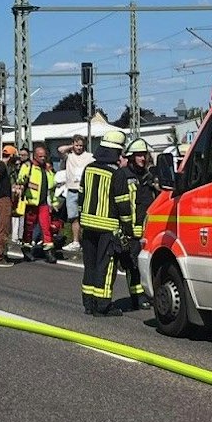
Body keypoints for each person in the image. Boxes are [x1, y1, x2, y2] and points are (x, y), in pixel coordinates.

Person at [78, 129, 136, 315]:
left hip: (87, 226)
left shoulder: (88, 169)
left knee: (90, 266)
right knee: (105, 266)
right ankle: (103, 306)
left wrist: (81, 221)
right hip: (107, 229)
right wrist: (128, 229)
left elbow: (81, 197)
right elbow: (123, 205)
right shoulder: (117, 174)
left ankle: (89, 304)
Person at [117, 138, 157, 310]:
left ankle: (146, 293)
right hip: (131, 228)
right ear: (131, 157)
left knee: (146, 263)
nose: (142, 158)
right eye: (139, 155)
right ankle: (138, 296)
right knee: (133, 264)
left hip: (148, 228)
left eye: (144, 155)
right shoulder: (123, 175)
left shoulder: (149, 176)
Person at [13, 143, 58, 263]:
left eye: (44, 156)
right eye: (40, 156)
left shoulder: (48, 169)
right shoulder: (28, 166)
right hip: (31, 203)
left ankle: (49, 252)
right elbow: (20, 179)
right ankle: (26, 248)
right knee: (29, 228)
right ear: (35, 156)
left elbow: (51, 188)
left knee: (46, 227)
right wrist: (23, 179)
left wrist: (54, 202)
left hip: (44, 203)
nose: (43, 158)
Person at [59, 135, 92, 251]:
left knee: (85, 217)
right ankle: (76, 241)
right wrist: (71, 147)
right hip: (72, 190)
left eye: (81, 145)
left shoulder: (89, 156)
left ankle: (87, 242)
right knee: (73, 217)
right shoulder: (69, 156)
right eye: (77, 145)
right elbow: (60, 150)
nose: (79, 148)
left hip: (84, 190)